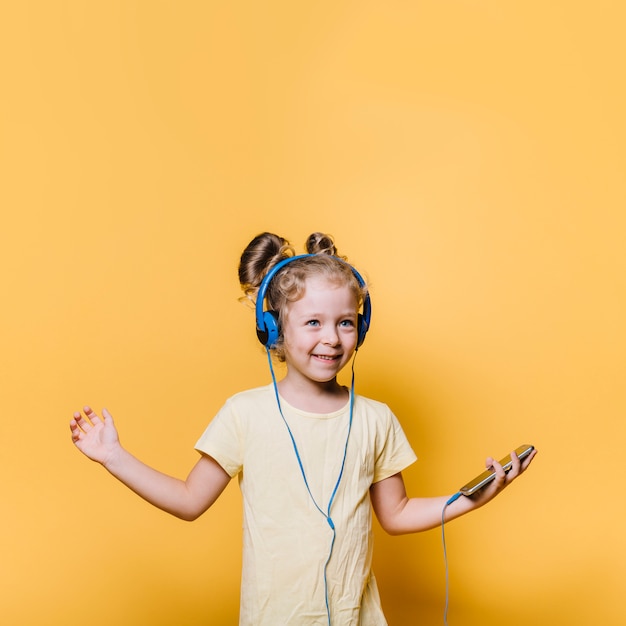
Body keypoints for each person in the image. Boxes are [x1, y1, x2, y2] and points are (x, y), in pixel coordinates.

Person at [70, 231, 536, 626]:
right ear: (273, 330)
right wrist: (114, 456)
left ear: (362, 327)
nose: (331, 338)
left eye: (345, 323)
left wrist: (471, 498)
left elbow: (396, 515)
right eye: (313, 322)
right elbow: (190, 502)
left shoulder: (376, 419)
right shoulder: (244, 414)